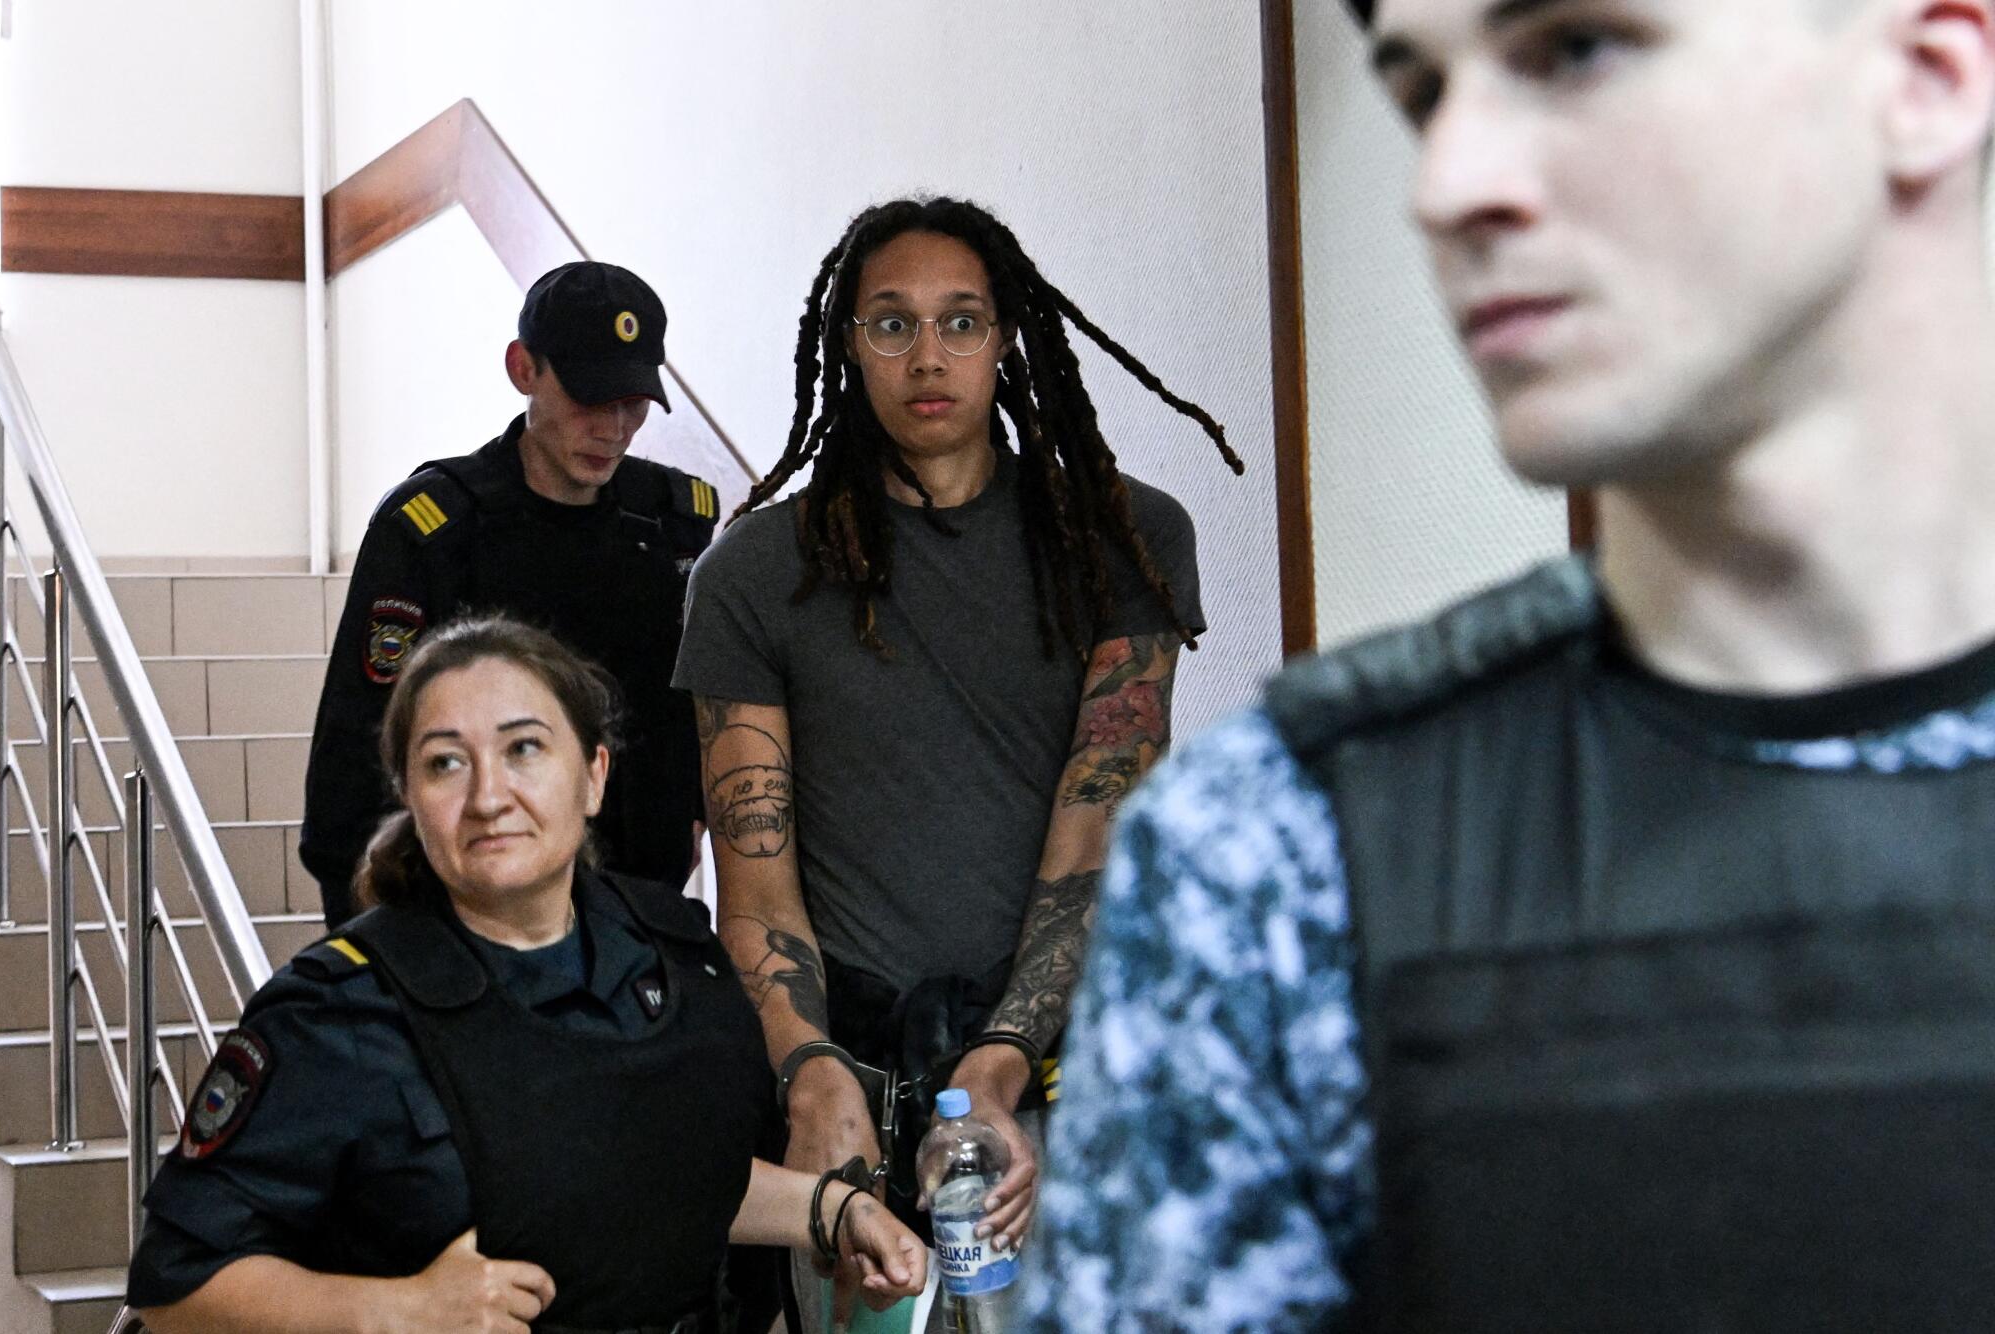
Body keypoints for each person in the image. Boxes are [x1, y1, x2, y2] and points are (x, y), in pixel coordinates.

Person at [1022, 0, 1995, 1329]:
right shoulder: (1276, 861)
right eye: (1423, 90)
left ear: (1928, 78)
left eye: (1576, 48)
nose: (1445, 183)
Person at [672, 195, 1240, 1326]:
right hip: (851, 1080)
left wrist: (1005, 1055)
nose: (926, 355)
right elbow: (757, 885)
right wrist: (808, 1068)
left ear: (1006, 338)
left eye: (961, 321)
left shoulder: (1123, 538)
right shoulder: (751, 573)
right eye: (890, 323)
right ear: (848, 342)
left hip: (1062, 1068)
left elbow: (1099, 834)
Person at [129, 616, 926, 1333]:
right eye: (446, 763)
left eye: (524, 749)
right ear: (410, 794)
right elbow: (176, 1290)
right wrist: (401, 1311)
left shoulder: (675, 952)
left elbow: (655, 1180)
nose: (488, 797)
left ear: (593, 777)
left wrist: (832, 1210)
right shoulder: (334, 1012)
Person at [301, 260, 720, 931]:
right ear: (523, 369)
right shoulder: (434, 530)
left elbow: (695, 715)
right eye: (591, 399)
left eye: (633, 404)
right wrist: (372, 948)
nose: (614, 429)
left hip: (636, 916)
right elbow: (358, 752)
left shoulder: (674, 525)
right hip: (471, 920)